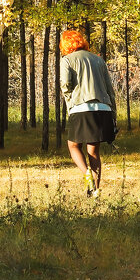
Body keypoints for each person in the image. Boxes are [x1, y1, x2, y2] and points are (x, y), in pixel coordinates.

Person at [59, 29, 117, 197]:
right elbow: (109, 89)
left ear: (65, 45)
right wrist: (112, 113)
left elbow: (65, 85)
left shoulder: (67, 60)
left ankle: (86, 174)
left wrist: (71, 104)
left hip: (80, 108)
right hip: (103, 109)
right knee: (93, 152)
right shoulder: (99, 60)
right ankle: (95, 190)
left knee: (73, 145)